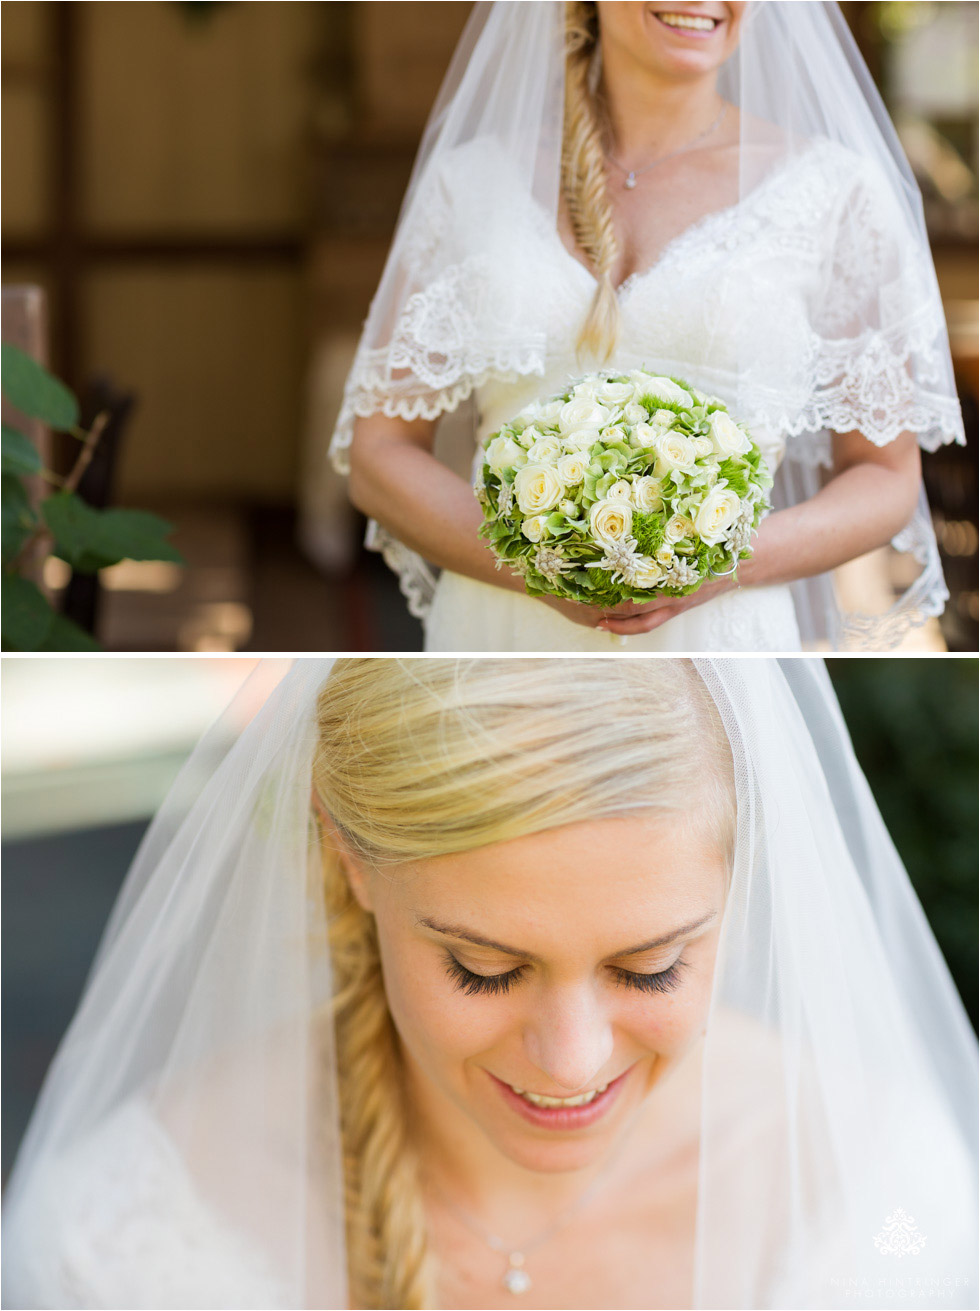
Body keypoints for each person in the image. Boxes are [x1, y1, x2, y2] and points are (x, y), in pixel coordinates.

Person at [2, 658, 976, 1309]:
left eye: (649, 967)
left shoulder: (886, 1203)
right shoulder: (117, 1241)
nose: (571, 1058)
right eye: (484, 969)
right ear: (351, 861)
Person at [329, 1, 965, 652]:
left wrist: (716, 567)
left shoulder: (838, 194)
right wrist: (537, 565)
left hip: (719, 644)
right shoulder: (472, 182)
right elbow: (381, 454)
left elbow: (884, 474)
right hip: (496, 639)